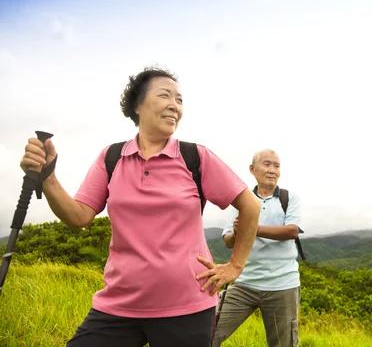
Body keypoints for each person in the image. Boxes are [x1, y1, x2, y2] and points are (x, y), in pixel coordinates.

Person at [19, 67, 261, 347]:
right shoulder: (112, 157)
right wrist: (47, 177)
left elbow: (250, 206)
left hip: (187, 307)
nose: (175, 105)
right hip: (118, 305)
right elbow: (79, 215)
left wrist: (235, 266)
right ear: (138, 105)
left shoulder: (195, 157)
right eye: (164, 96)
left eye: (179, 100)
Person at [212, 149, 304, 347]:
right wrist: (238, 232)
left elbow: (292, 231)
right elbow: (228, 241)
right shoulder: (241, 201)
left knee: (283, 344)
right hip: (244, 282)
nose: (272, 170)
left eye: (276, 166)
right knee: (209, 334)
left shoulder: (289, 198)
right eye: (267, 164)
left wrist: (250, 227)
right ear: (253, 169)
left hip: (283, 285)